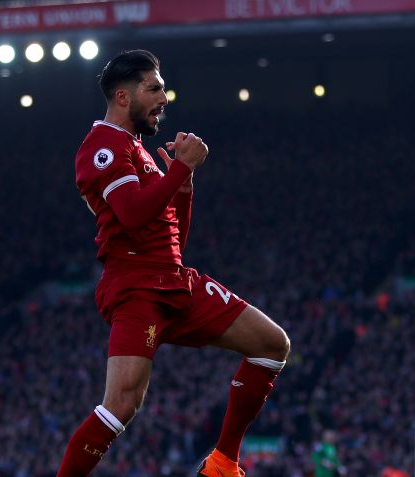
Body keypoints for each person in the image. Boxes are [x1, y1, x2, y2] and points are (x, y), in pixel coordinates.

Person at [61, 49, 290, 477]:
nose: (163, 98)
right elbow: (132, 214)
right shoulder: (102, 146)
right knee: (122, 404)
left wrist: (184, 186)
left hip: (173, 279)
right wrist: (179, 170)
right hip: (136, 286)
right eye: (154, 88)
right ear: (123, 96)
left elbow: (173, 242)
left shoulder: (138, 149)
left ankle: (222, 463)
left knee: (271, 345)